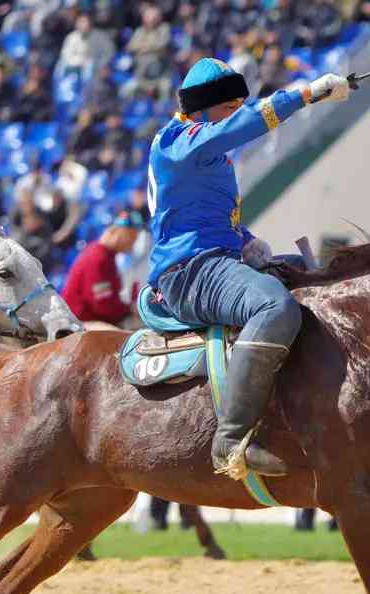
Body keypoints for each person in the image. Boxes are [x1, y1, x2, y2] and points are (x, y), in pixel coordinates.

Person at [146, 57, 349, 478]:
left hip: (215, 259)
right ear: (201, 108)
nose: (235, 115)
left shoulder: (207, 153)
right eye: (228, 107)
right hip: (189, 271)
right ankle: (231, 440)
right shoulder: (178, 140)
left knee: (315, 275)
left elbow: (205, 216)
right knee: (274, 308)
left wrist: (247, 242)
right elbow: (244, 126)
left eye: (241, 105)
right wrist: (306, 94)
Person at [60, 212, 141, 326]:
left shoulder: (106, 255)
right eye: (131, 236)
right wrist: (129, 310)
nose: (133, 243)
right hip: (78, 324)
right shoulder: (98, 257)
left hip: (88, 320)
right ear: (116, 233)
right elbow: (102, 305)